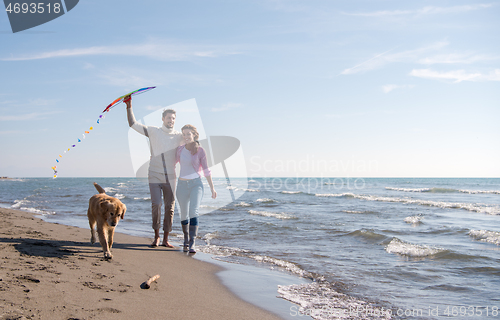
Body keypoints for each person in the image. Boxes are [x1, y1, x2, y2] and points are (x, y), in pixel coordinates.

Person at [125, 95, 183, 248]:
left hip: (171, 176)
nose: (171, 120)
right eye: (169, 118)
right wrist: (128, 105)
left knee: (170, 208)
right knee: (156, 204)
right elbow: (133, 124)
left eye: (173, 118)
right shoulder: (153, 131)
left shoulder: (179, 136)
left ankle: (165, 239)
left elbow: (192, 142)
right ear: (163, 118)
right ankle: (156, 237)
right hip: (154, 175)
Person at [176, 124, 217, 253]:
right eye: (184, 134)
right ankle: (185, 239)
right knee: (183, 213)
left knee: (194, 211)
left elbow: (206, 170)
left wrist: (212, 188)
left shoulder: (200, 150)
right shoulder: (179, 149)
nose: (186, 136)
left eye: (188, 134)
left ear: (194, 135)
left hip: (196, 184)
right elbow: (171, 162)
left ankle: (192, 243)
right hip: (181, 185)